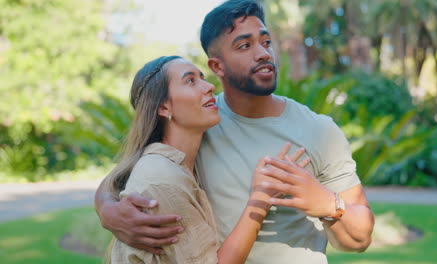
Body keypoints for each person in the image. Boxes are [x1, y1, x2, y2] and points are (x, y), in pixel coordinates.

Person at [95, 0, 375, 263]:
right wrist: (108, 212)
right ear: (217, 67)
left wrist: (328, 203)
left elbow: (360, 237)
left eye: (266, 42)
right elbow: (126, 175)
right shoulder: (199, 120)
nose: (263, 53)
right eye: (244, 46)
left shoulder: (320, 130)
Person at [106, 55, 308, 263]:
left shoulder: (179, 163)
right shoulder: (162, 177)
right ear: (164, 107)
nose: (209, 86)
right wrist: (261, 199)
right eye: (190, 80)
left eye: (202, 78)